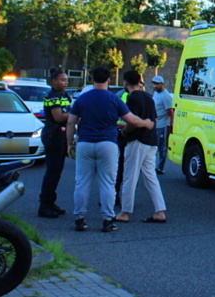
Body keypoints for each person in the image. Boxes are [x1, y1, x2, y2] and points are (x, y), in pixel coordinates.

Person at [66, 66, 154, 232]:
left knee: (82, 182)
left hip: (85, 143)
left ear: (92, 80)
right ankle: (107, 219)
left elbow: (71, 122)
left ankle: (80, 219)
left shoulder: (82, 99)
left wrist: (70, 144)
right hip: (108, 143)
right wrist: (147, 123)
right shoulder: (114, 99)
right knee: (108, 183)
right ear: (108, 80)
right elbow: (132, 120)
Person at [114, 70, 167, 224]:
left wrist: (124, 132)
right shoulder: (149, 97)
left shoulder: (133, 97)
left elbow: (132, 122)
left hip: (137, 141)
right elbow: (154, 118)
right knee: (151, 177)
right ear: (139, 82)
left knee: (129, 177)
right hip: (151, 141)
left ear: (125, 83)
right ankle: (159, 210)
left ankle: (124, 212)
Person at [38, 69, 71, 218]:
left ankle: (51, 202)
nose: (66, 82)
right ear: (54, 81)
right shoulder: (51, 97)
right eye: (63, 80)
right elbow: (58, 117)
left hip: (61, 136)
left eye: (66, 80)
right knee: (52, 172)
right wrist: (76, 114)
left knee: (57, 172)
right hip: (53, 136)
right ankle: (44, 205)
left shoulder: (63, 95)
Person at [152, 75, 174, 174]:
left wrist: (172, 124)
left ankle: (160, 167)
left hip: (163, 125)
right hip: (155, 124)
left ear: (162, 84)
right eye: (154, 84)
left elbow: (171, 111)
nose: (155, 86)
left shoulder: (166, 96)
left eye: (157, 84)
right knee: (153, 146)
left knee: (162, 147)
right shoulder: (155, 94)